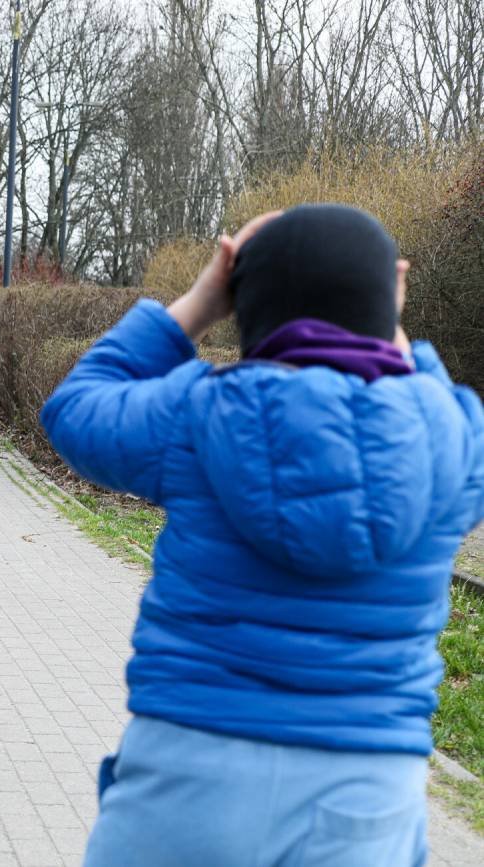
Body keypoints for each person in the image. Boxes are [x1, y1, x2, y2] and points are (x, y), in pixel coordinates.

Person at [41, 204, 484, 866]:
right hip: (364, 788)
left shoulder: (196, 412)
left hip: (189, 777)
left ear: (243, 303)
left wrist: (195, 304)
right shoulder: (456, 437)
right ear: (390, 291)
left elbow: (75, 408)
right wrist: (383, 310)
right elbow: (424, 393)